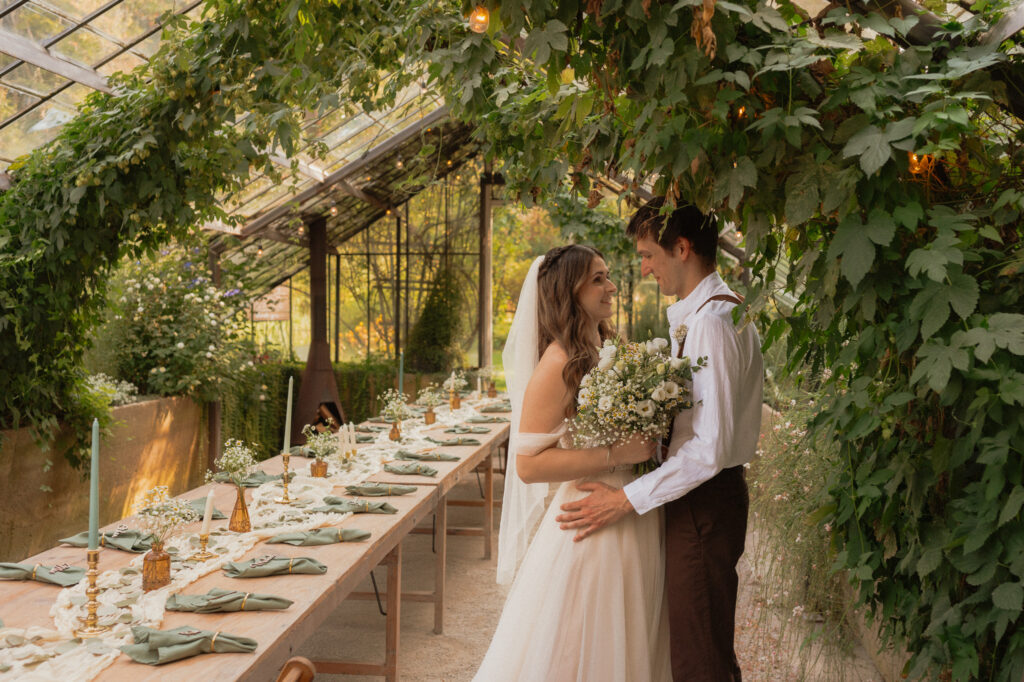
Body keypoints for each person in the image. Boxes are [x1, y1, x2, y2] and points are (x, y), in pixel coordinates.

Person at [556, 199, 763, 682]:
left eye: (649, 254)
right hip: (705, 501)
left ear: (683, 249)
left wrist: (625, 499)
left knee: (698, 658)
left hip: (704, 505)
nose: (644, 267)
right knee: (699, 643)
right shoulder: (715, 311)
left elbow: (708, 447)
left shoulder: (711, 323)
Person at [473, 244, 671, 682]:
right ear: (569, 290)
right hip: (592, 522)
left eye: (607, 275)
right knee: (583, 649)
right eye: (597, 278)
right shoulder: (559, 362)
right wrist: (617, 455)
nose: (611, 286)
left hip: (631, 510)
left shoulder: (609, 348)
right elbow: (527, 465)